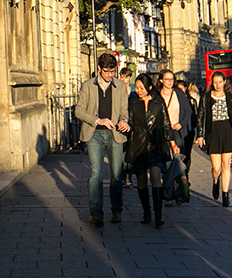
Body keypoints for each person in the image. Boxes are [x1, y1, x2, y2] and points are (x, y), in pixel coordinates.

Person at [75, 53, 130, 226]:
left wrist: (124, 121)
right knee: (96, 174)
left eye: (113, 71)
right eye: (107, 71)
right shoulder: (87, 86)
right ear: (99, 69)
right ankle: (96, 213)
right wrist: (98, 120)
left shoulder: (120, 86)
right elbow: (79, 111)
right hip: (95, 134)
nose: (110, 75)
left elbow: (124, 110)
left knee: (116, 175)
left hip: (115, 133)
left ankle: (117, 211)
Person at [125, 73, 172, 227]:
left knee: (155, 176)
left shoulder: (159, 102)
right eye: (137, 87)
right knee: (141, 180)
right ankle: (146, 212)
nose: (138, 90)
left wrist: (172, 142)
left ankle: (158, 215)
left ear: (149, 87)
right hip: (138, 145)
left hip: (155, 145)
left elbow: (166, 124)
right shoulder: (133, 103)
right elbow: (130, 122)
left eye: (141, 87)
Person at [195, 71, 232, 208]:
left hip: (228, 131)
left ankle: (225, 196)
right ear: (212, 83)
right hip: (213, 132)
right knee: (216, 168)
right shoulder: (206, 97)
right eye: (215, 82)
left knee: (226, 164)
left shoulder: (230, 97)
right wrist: (200, 135)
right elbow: (200, 117)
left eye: (220, 82)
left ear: (224, 82)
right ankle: (215, 180)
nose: (217, 85)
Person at [157, 69, 192, 205]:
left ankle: (179, 193)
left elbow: (188, 111)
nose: (170, 82)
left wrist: (181, 124)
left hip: (177, 132)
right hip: (164, 132)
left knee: (178, 162)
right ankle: (168, 195)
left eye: (172, 79)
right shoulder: (157, 96)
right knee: (167, 163)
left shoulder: (179, 94)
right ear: (161, 80)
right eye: (167, 79)